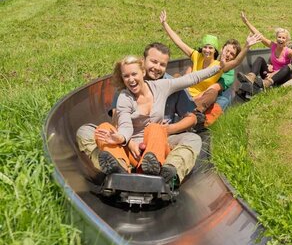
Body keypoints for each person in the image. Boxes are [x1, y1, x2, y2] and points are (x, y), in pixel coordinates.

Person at [93, 56, 223, 186]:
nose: (131, 79)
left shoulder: (161, 87)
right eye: (126, 76)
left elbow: (190, 79)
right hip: (133, 149)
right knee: (103, 127)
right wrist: (122, 138)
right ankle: (119, 168)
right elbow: (125, 125)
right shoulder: (124, 97)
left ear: (143, 72)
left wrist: (218, 67)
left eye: (134, 74)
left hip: (156, 145)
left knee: (157, 128)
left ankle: (158, 169)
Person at [76, 43, 199, 174]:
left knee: (193, 139)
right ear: (143, 62)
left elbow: (192, 118)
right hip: (127, 142)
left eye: (162, 64)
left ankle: (169, 170)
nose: (157, 68)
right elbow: (116, 121)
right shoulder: (129, 82)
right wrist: (128, 142)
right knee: (85, 131)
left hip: (161, 141)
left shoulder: (172, 85)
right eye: (153, 62)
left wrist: (168, 129)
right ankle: (113, 166)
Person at [159, 10, 261, 128]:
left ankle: (195, 115)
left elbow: (236, 62)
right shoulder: (196, 55)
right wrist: (165, 24)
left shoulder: (219, 66)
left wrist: (247, 46)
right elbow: (179, 42)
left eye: (210, 48)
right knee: (170, 76)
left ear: (215, 50)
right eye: (205, 47)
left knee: (213, 93)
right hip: (183, 91)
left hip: (196, 100)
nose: (207, 50)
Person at [236, 12, 292, 93]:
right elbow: (260, 36)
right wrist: (246, 22)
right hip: (270, 73)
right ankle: (250, 78)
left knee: (287, 68)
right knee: (260, 59)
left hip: (286, 75)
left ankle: (267, 84)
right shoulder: (281, 45)